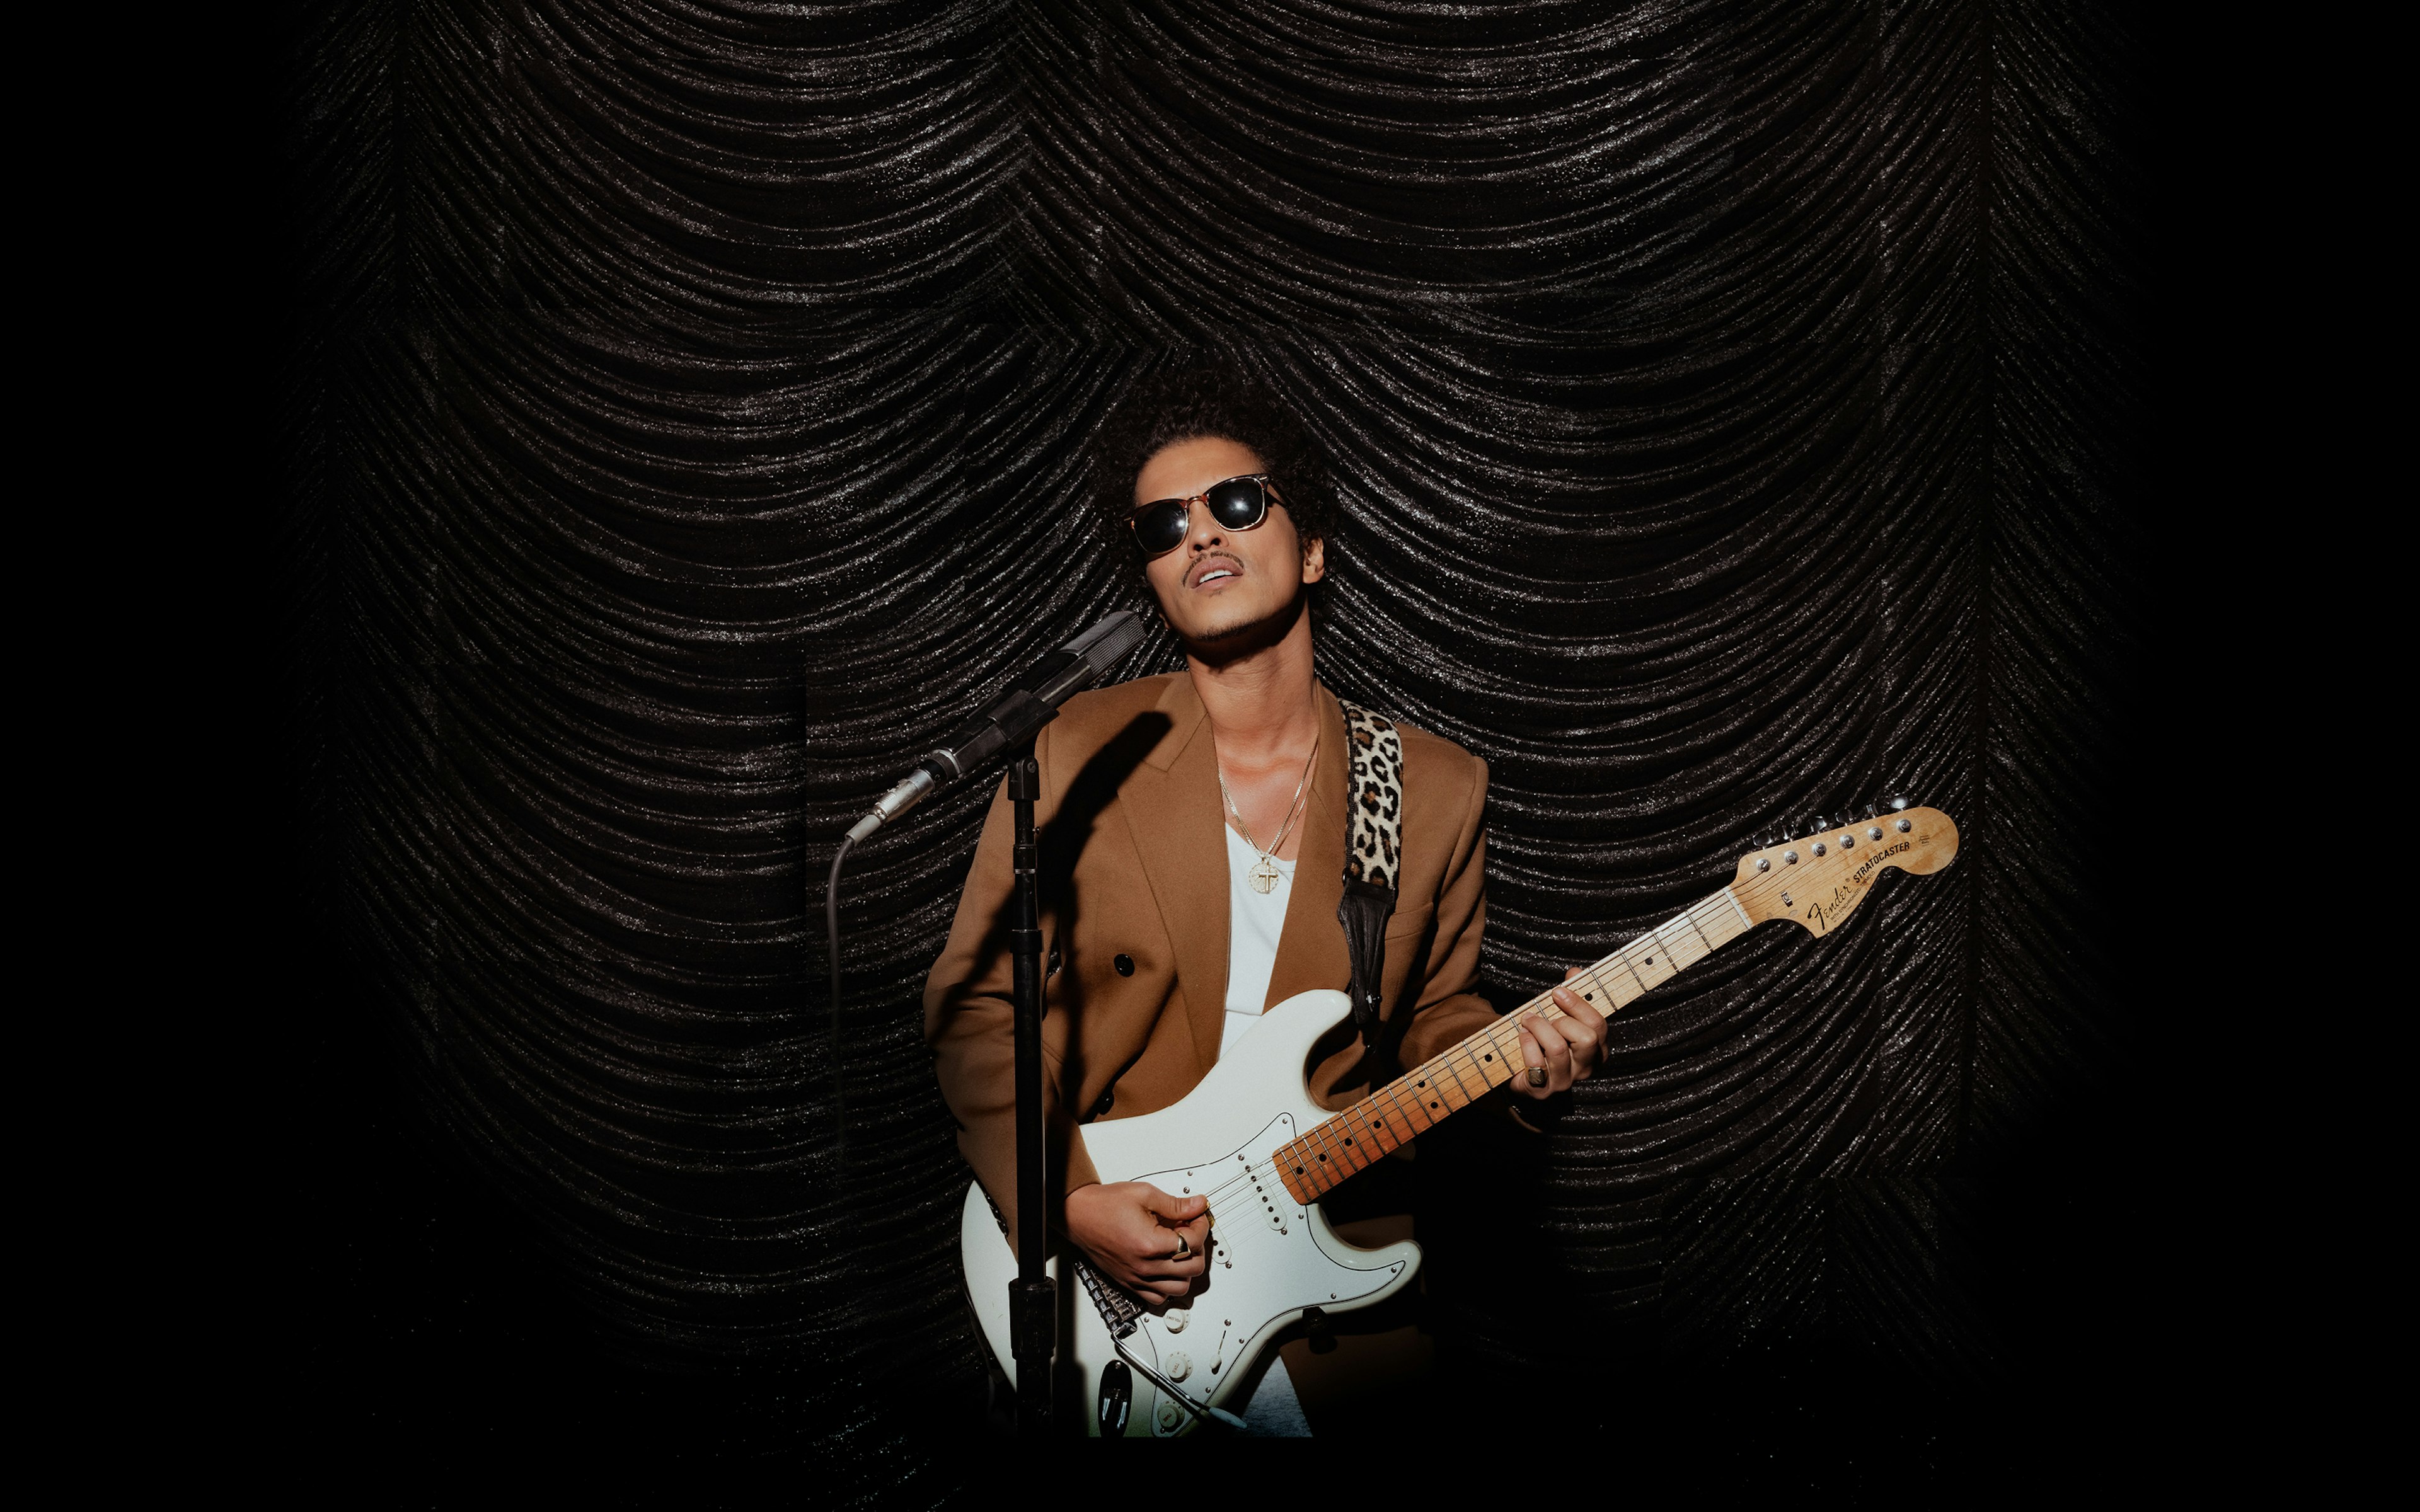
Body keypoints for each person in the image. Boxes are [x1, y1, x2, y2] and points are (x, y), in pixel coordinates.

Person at [922, 365, 1605, 1433]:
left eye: (1236, 502)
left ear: (1314, 547)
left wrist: (1521, 1062)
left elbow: (1438, 1019)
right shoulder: (1077, 746)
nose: (1200, 534)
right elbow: (972, 1006)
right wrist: (1065, 1203)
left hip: (1328, 1303)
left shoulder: (1429, 785)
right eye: (1163, 525)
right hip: (1110, 1282)